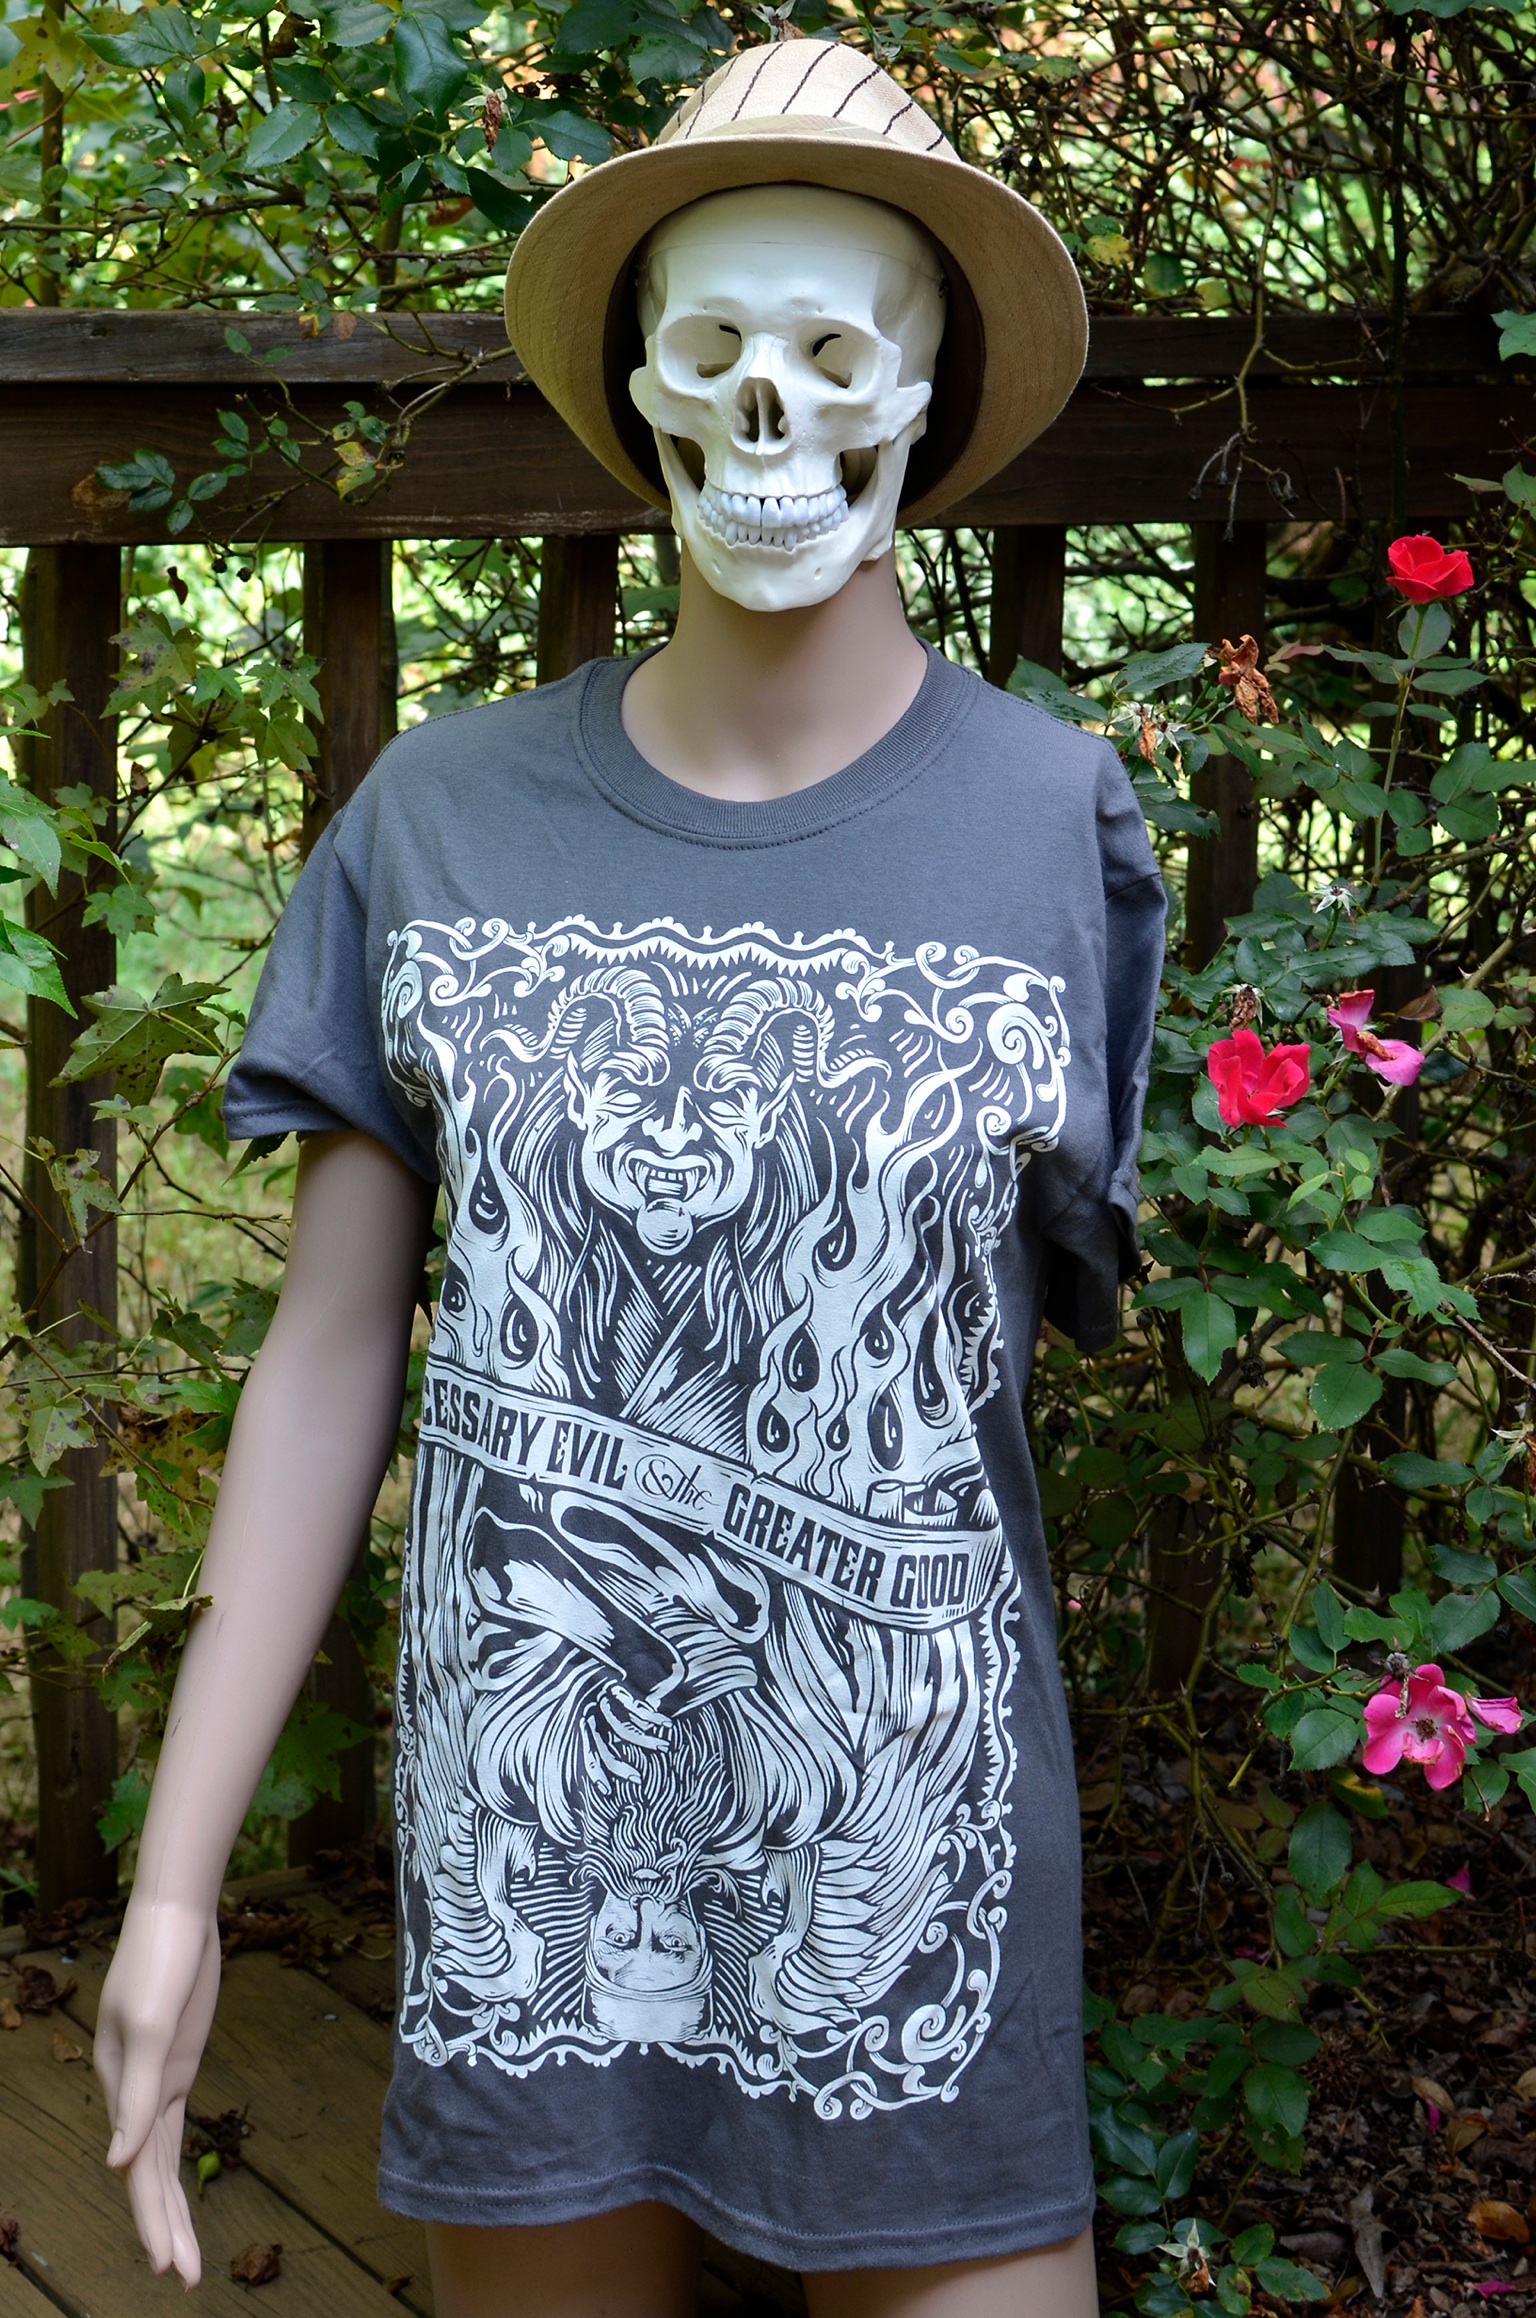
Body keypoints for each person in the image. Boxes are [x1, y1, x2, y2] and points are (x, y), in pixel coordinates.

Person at [93, 36, 1165, 2318]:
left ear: (926, 400)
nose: (768, 406)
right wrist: (174, 1880)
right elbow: (328, 1354)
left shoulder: (1049, 825)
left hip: (902, 1878)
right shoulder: (438, 822)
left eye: (833, 352)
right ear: (641, 386)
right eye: (714, 345)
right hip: (539, 1876)